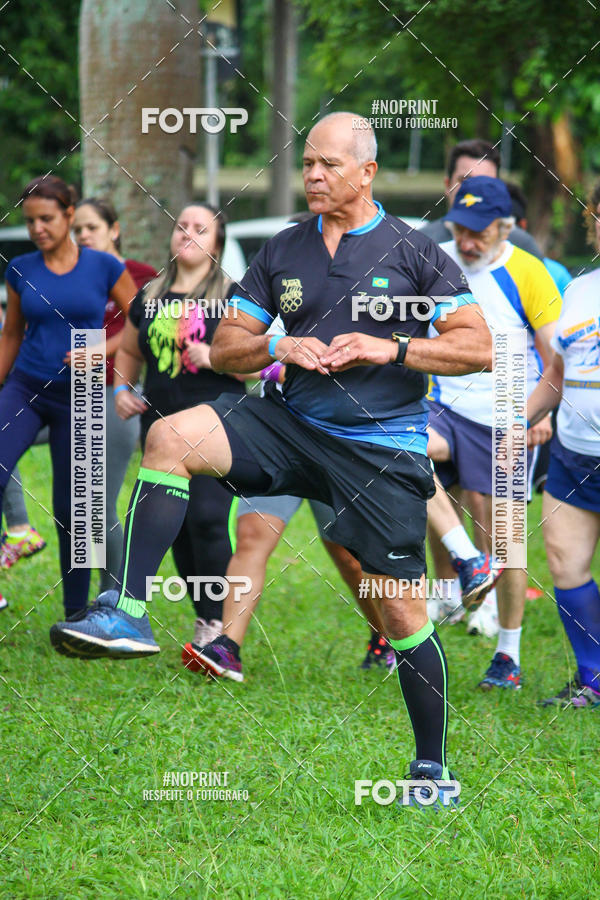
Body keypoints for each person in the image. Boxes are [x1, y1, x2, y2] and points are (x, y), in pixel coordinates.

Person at [50, 112, 493, 806]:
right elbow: (227, 346)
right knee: (171, 437)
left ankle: (432, 769)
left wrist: (394, 348)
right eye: (308, 163)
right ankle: (127, 607)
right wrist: (277, 346)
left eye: (328, 165)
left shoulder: (414, 251)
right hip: (290, 421)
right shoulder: (284, 248)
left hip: (379, 448)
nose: (313, 175)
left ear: (367, 172)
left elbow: (478, 347)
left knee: (404, 614)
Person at [426, 175, 561, 690]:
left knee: (508, 543)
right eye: (460, 228)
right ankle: (464, 558)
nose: (467, 242)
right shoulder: (434, 258)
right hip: (444, 404)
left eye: (480, 232)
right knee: (402, 452)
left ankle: (508, 653)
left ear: (506, 227)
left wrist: (527, 417)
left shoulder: (528, 272)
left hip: (507, 408)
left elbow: (556, 362)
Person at [110, 203, 245, 647]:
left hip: (215, 423)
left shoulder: (233, 296)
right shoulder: (148, 295)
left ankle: (216, 626)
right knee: (178, 528)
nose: (187, 233)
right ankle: (204, 618)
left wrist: (217, 357)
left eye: (200, 229)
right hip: (161, 425)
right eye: (181, 226)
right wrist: (123, 390)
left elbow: (256, 360)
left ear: (216, 244)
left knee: (207, 518)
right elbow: (129, 352)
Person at [1, 176, 136, 616]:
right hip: (26, 385)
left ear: (69, 215)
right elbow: (10, 334)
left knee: (75, 509)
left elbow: (141, 321)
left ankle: (77, 615)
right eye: (30, 221)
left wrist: (103, 348)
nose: (38, 228)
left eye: (47, 218)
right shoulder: (21, 269)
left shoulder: (103, 266)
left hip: (82, 395)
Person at [528, 182, 600, 708]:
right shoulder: (578, 291)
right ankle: (594, 677)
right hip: (575, 454)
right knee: (563, 559)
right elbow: (556, 372)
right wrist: (516, 419)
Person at [73, 198, 157, 593]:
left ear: (115, 229)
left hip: (117, 392)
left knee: (94, 502)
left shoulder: (141, 276)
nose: (84, 236)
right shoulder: (72, 277)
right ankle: (19, 526)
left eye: (92, 227)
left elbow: (141, 331)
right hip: (67, 392)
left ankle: (114, 596)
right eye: (78, 231)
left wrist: (97, 350)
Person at [421, 138, 543, 259]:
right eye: (465, 180)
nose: (474, 190)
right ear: (448, 185)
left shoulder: (522, 247)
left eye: (485, 182)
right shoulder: (419, 244)